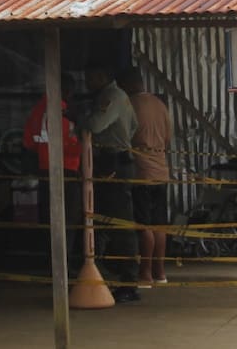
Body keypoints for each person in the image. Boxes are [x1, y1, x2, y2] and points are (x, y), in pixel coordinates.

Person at [75, 62, 140, 303]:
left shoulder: (111, 96)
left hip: (113, 163)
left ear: (102, 76)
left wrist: (78, 118)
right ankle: (113, 272)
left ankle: (128, 281)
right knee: (105, 219)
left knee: (119, 221)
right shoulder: (117, 96)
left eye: (90, 77)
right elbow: (134, 126)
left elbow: (95, 125)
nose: (87, 83)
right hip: (112, 161)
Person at [119, 67, 173, 287]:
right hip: (161, 169)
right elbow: (169, 137)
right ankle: (160, 273)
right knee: (160, 224)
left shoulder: (129, 105)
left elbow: (124, 137)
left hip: (141, 171)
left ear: (129, 85)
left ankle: (145, 273)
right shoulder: (160, 105)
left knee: (144, 224)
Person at [22, 73, 82, 266]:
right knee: (68, 221)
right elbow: (75, 145)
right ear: (66, 91)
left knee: (50, 220)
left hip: (44, 170)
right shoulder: (65, 112)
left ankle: (52, 264)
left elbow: (28, 142)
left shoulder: (38, 109)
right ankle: (63, 266)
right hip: (68, 171)